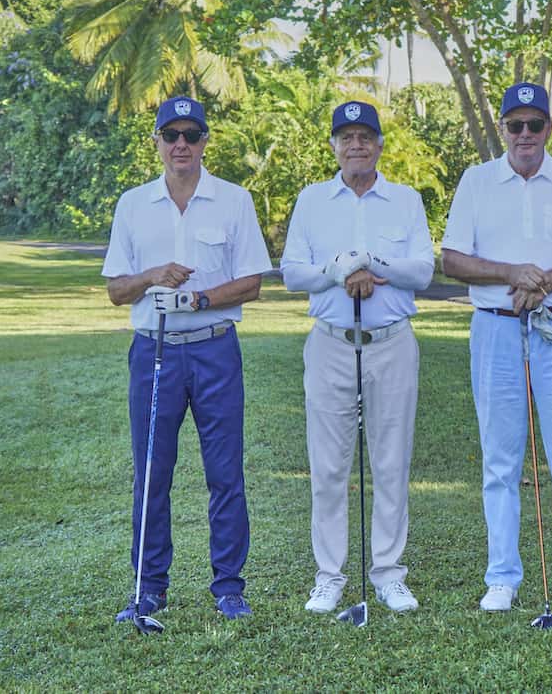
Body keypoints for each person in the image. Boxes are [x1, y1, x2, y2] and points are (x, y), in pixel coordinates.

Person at [441, 82, 552, 613]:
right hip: (495, 327)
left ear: (547, 129)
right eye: (514, 125)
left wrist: (542, 282)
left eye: (534, 125)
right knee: (499, 459)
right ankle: (502, 576)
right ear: (502, 129)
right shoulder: (476, 182)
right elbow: (451, 260)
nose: (524, 134)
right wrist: (511, 272)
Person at [102, 96, 272, 622]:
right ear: (156, 141)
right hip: (154, 353)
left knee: (225, 473)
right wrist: (152, 275)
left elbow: (253, 282)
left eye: (191, 135)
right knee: (153, 473)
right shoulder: (133, 204)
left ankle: (229, 587)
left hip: (215, 348)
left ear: (204, 142)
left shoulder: (233, 199)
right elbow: (115, 289)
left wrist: (200, 298)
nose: (181, 144)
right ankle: (148, 588)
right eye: (170, 135)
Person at [280, 101, 434, 615]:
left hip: (391, 342)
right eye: (345, 137)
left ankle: (389, 573)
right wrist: (336, 270)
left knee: (391, 462)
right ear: (333, 146)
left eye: (365, 136)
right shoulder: (311, 200)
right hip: (330, 342)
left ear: (380, 144)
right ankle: (330, 576)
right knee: (327, 467)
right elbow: (292, 273)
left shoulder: (405, 199)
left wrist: (373, 264)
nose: (356, 145)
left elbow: (423, 270)